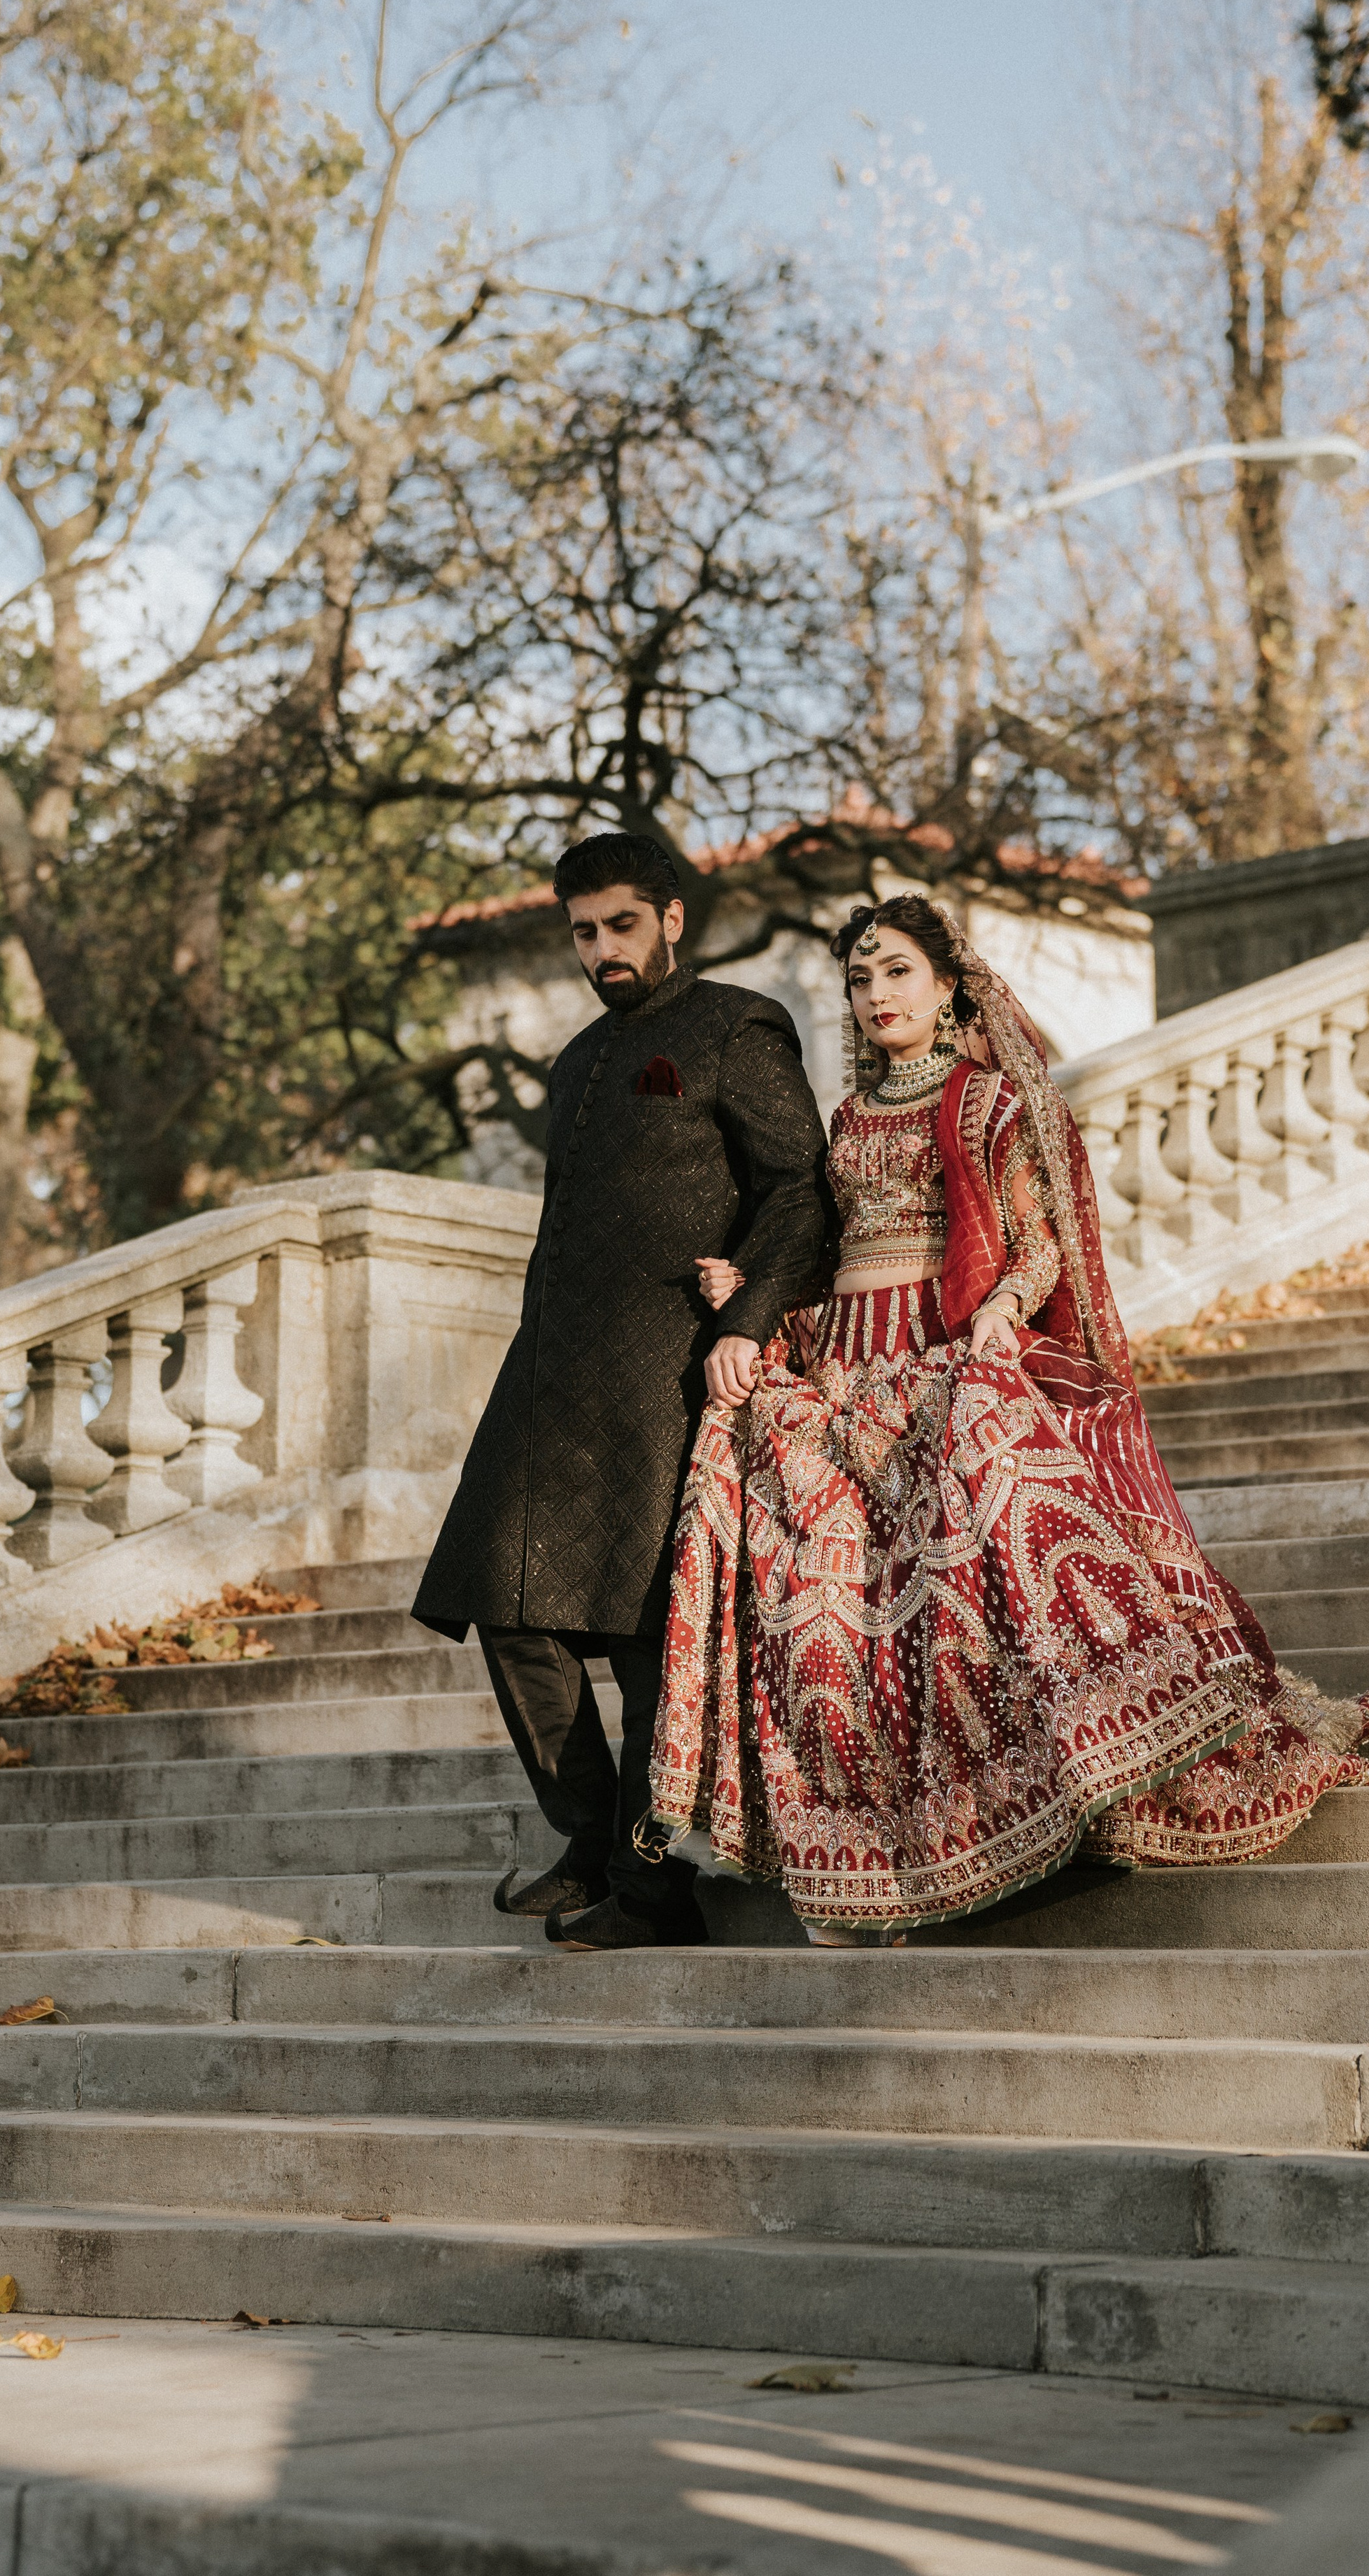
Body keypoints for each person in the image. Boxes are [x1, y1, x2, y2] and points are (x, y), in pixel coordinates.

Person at [648, 892, 1369, 1942]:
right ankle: (863, 1854)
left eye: (897, 972)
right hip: (847, 1365)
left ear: (949, 983)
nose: (876, 994)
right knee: (813, 1580)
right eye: (860, 980)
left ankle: (1038, 1800)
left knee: (973, 1559)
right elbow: (834, 1258)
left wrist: (1002, 1311)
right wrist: (760, 1288)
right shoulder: (850, 1121)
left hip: (949, 1353)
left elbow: (1038, 1244)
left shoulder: (989, 1102)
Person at [412, 832, 829, 1949]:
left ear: (672, 918)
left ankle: (651, 1893)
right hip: (549, 1374)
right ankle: (587, 1838)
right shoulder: (576, 1060)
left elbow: (798, 1191)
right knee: (502, 1602)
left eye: (621, 926)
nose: (603, 950)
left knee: (648, 1637)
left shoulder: (735, 1025)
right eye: (585, 933)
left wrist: (742, 1323)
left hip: (669, 1368)